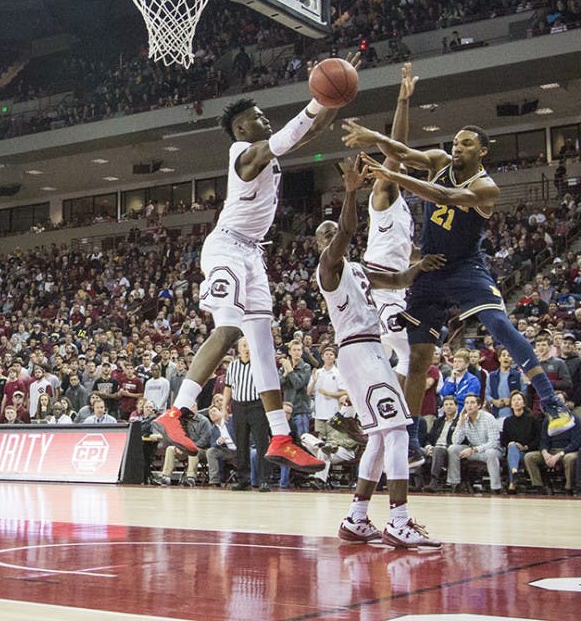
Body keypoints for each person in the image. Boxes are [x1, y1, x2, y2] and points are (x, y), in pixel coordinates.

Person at [155, 58, 364, 474]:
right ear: (241, 129)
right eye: (256, 116)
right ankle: (177, 412)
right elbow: (289, 136)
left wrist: (335, 98)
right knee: (229, 328)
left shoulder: (266, 148)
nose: (264, 119)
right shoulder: (243, 153)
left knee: (264, 345)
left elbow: (313, 129)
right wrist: (315, 98)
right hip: (227, 248)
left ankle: (281, 436)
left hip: (253, 253)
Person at [344, 116, 575, 438]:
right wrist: (372, 136)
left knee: (499, 326)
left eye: (466, 144)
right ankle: (409, 438)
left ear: (482, 150)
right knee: (418, 357)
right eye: (455, 142)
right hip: (431, 268)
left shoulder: (485, 187)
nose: (457, 148)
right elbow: (401, 151)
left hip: (466, 267)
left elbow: (445, 197)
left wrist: (392, 174)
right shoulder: (439, 161)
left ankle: (552, 403)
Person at [316, 156, 443, 548]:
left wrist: (423, 266)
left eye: (334, 232)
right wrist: (352, 192)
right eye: (328, 234)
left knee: (379, 436)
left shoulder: (358, 270)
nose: (335, 234)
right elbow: (350, 229)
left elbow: (399, 277)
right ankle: (399, 520)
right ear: (322, 244)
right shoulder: (329, 267)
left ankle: (356, 519)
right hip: (359, 351)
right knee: (399, 431)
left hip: (370, 353)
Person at [364, 64, 419, 460]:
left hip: (396, 285)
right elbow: (397, 150)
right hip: (382, 285)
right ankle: (404, 433)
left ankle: (389, 429)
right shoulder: (383, 192)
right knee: (415, 355)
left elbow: (409, 254)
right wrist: (402, 101)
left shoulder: (403, 209)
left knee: (410, 357)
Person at [221, 337, 271, 491]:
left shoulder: (259, 364)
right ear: (238, 349)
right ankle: (243, 479)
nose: (247, 348)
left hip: (257, 405)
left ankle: (264, 479)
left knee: (262, 443)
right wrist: (224, 407)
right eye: (244, 345)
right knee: (241, 444)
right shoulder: (233, 366)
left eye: (249, 345)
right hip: (239, 406)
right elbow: (228, 388)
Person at [445, 393, 503, 494]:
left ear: (479, 406)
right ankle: (455, 484)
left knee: (491, 453)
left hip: (491, 450)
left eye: (472, 403)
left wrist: (474, 449)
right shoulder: (464, 418)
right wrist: (461, 422)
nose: (469, 405)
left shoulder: (488, 418)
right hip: (473, 451)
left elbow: (494, 442)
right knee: (453, 448)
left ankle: (495, 488)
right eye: (466, 403)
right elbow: (455, 441)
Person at [500, 390, 540, 494]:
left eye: (519, 399)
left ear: (524, 403)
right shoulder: (507, 421)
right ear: (511, 404)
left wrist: (524, 447)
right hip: (513, 451)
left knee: (513, 452)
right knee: (512, 448)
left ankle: (512, 482)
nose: (516, 402)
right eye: (514, 400)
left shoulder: (532, 419)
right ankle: (514, 473)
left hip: (527, 451)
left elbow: (537, 439)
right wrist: (510, 444)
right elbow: (504, 440)